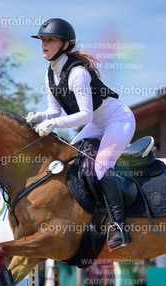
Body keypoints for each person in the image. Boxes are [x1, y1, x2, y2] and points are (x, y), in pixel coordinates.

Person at [27, 18, 137, 251]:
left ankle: (120, 228)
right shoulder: (50, 74)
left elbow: (85, 115)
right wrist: (39, 117)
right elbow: (53, 111)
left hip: (117, 119)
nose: (44, 44)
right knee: (69, 160)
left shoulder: (77, 73)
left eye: (50, 40)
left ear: (65, 45)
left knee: (101, 167)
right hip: (96, 123)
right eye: (43, 40)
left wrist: (53, 124)